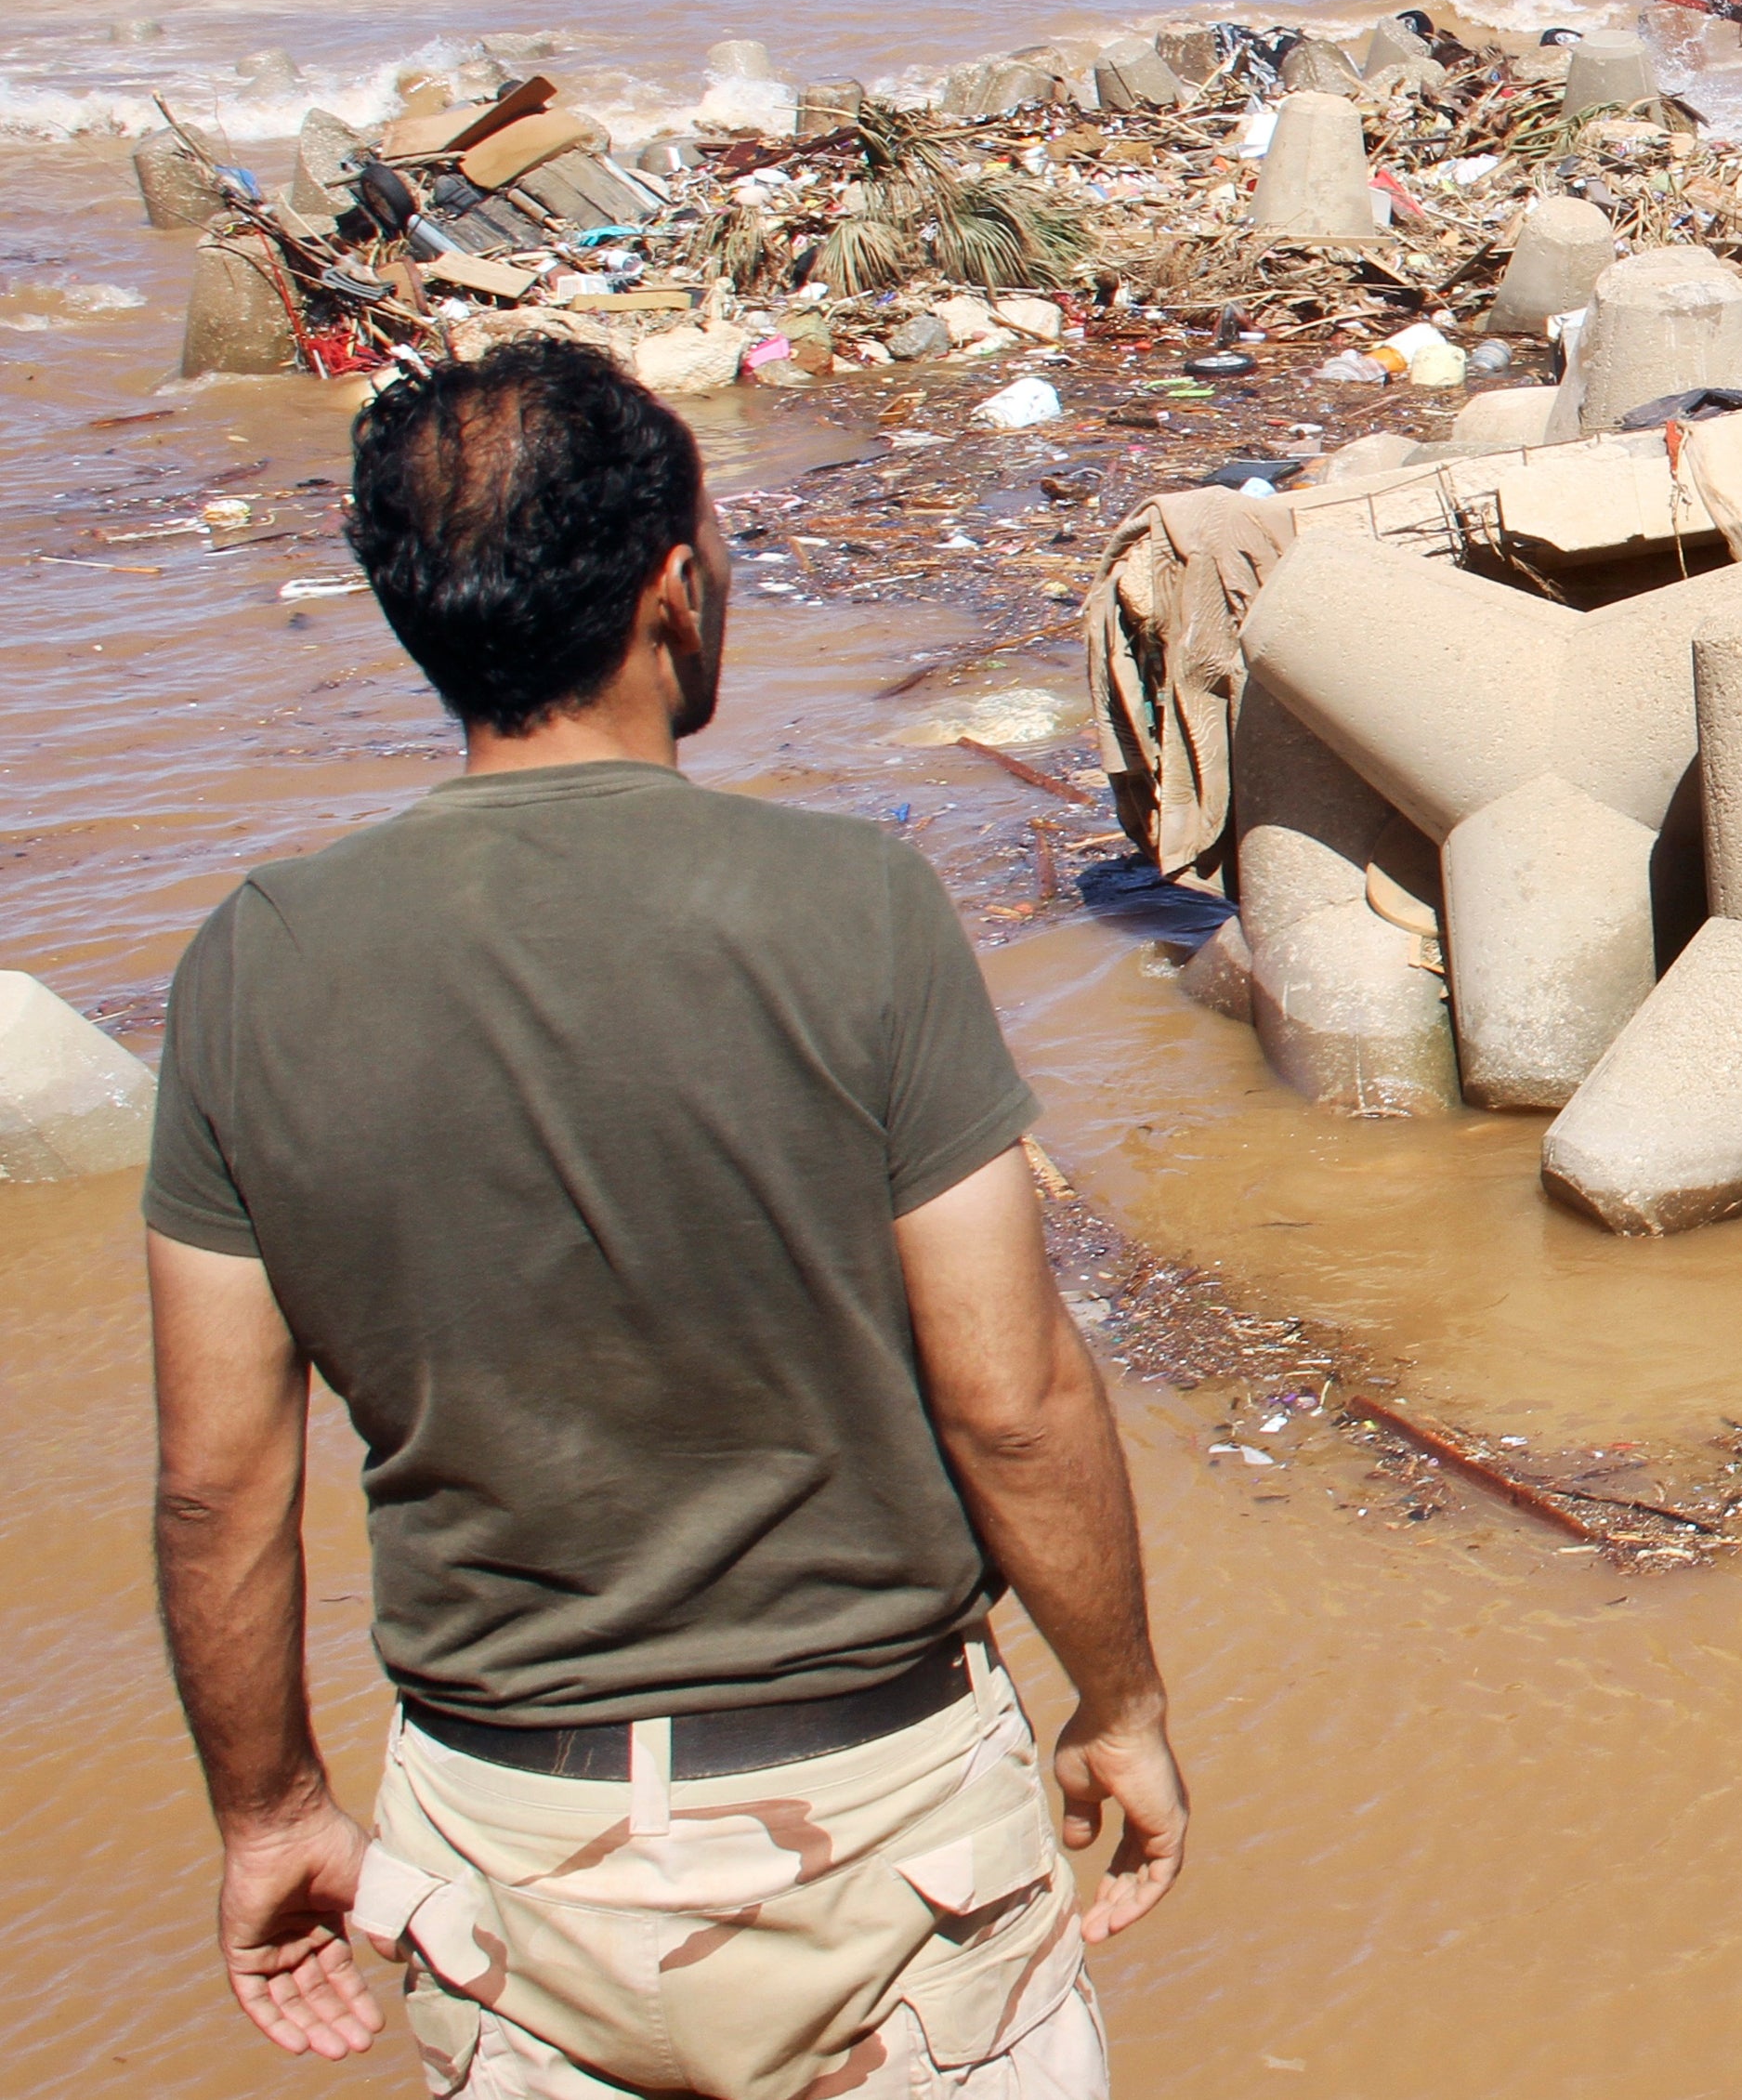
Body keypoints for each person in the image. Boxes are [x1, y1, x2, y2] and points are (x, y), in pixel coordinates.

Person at [146, 338, 1185, 2097]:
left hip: (504, 1849)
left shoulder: (255, 963)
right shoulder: (853, 909)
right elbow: (1011, 1395)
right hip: (882, 1827)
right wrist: (1122, 1702)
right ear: (673, 593)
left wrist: (268, 1811)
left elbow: (216, 1480)